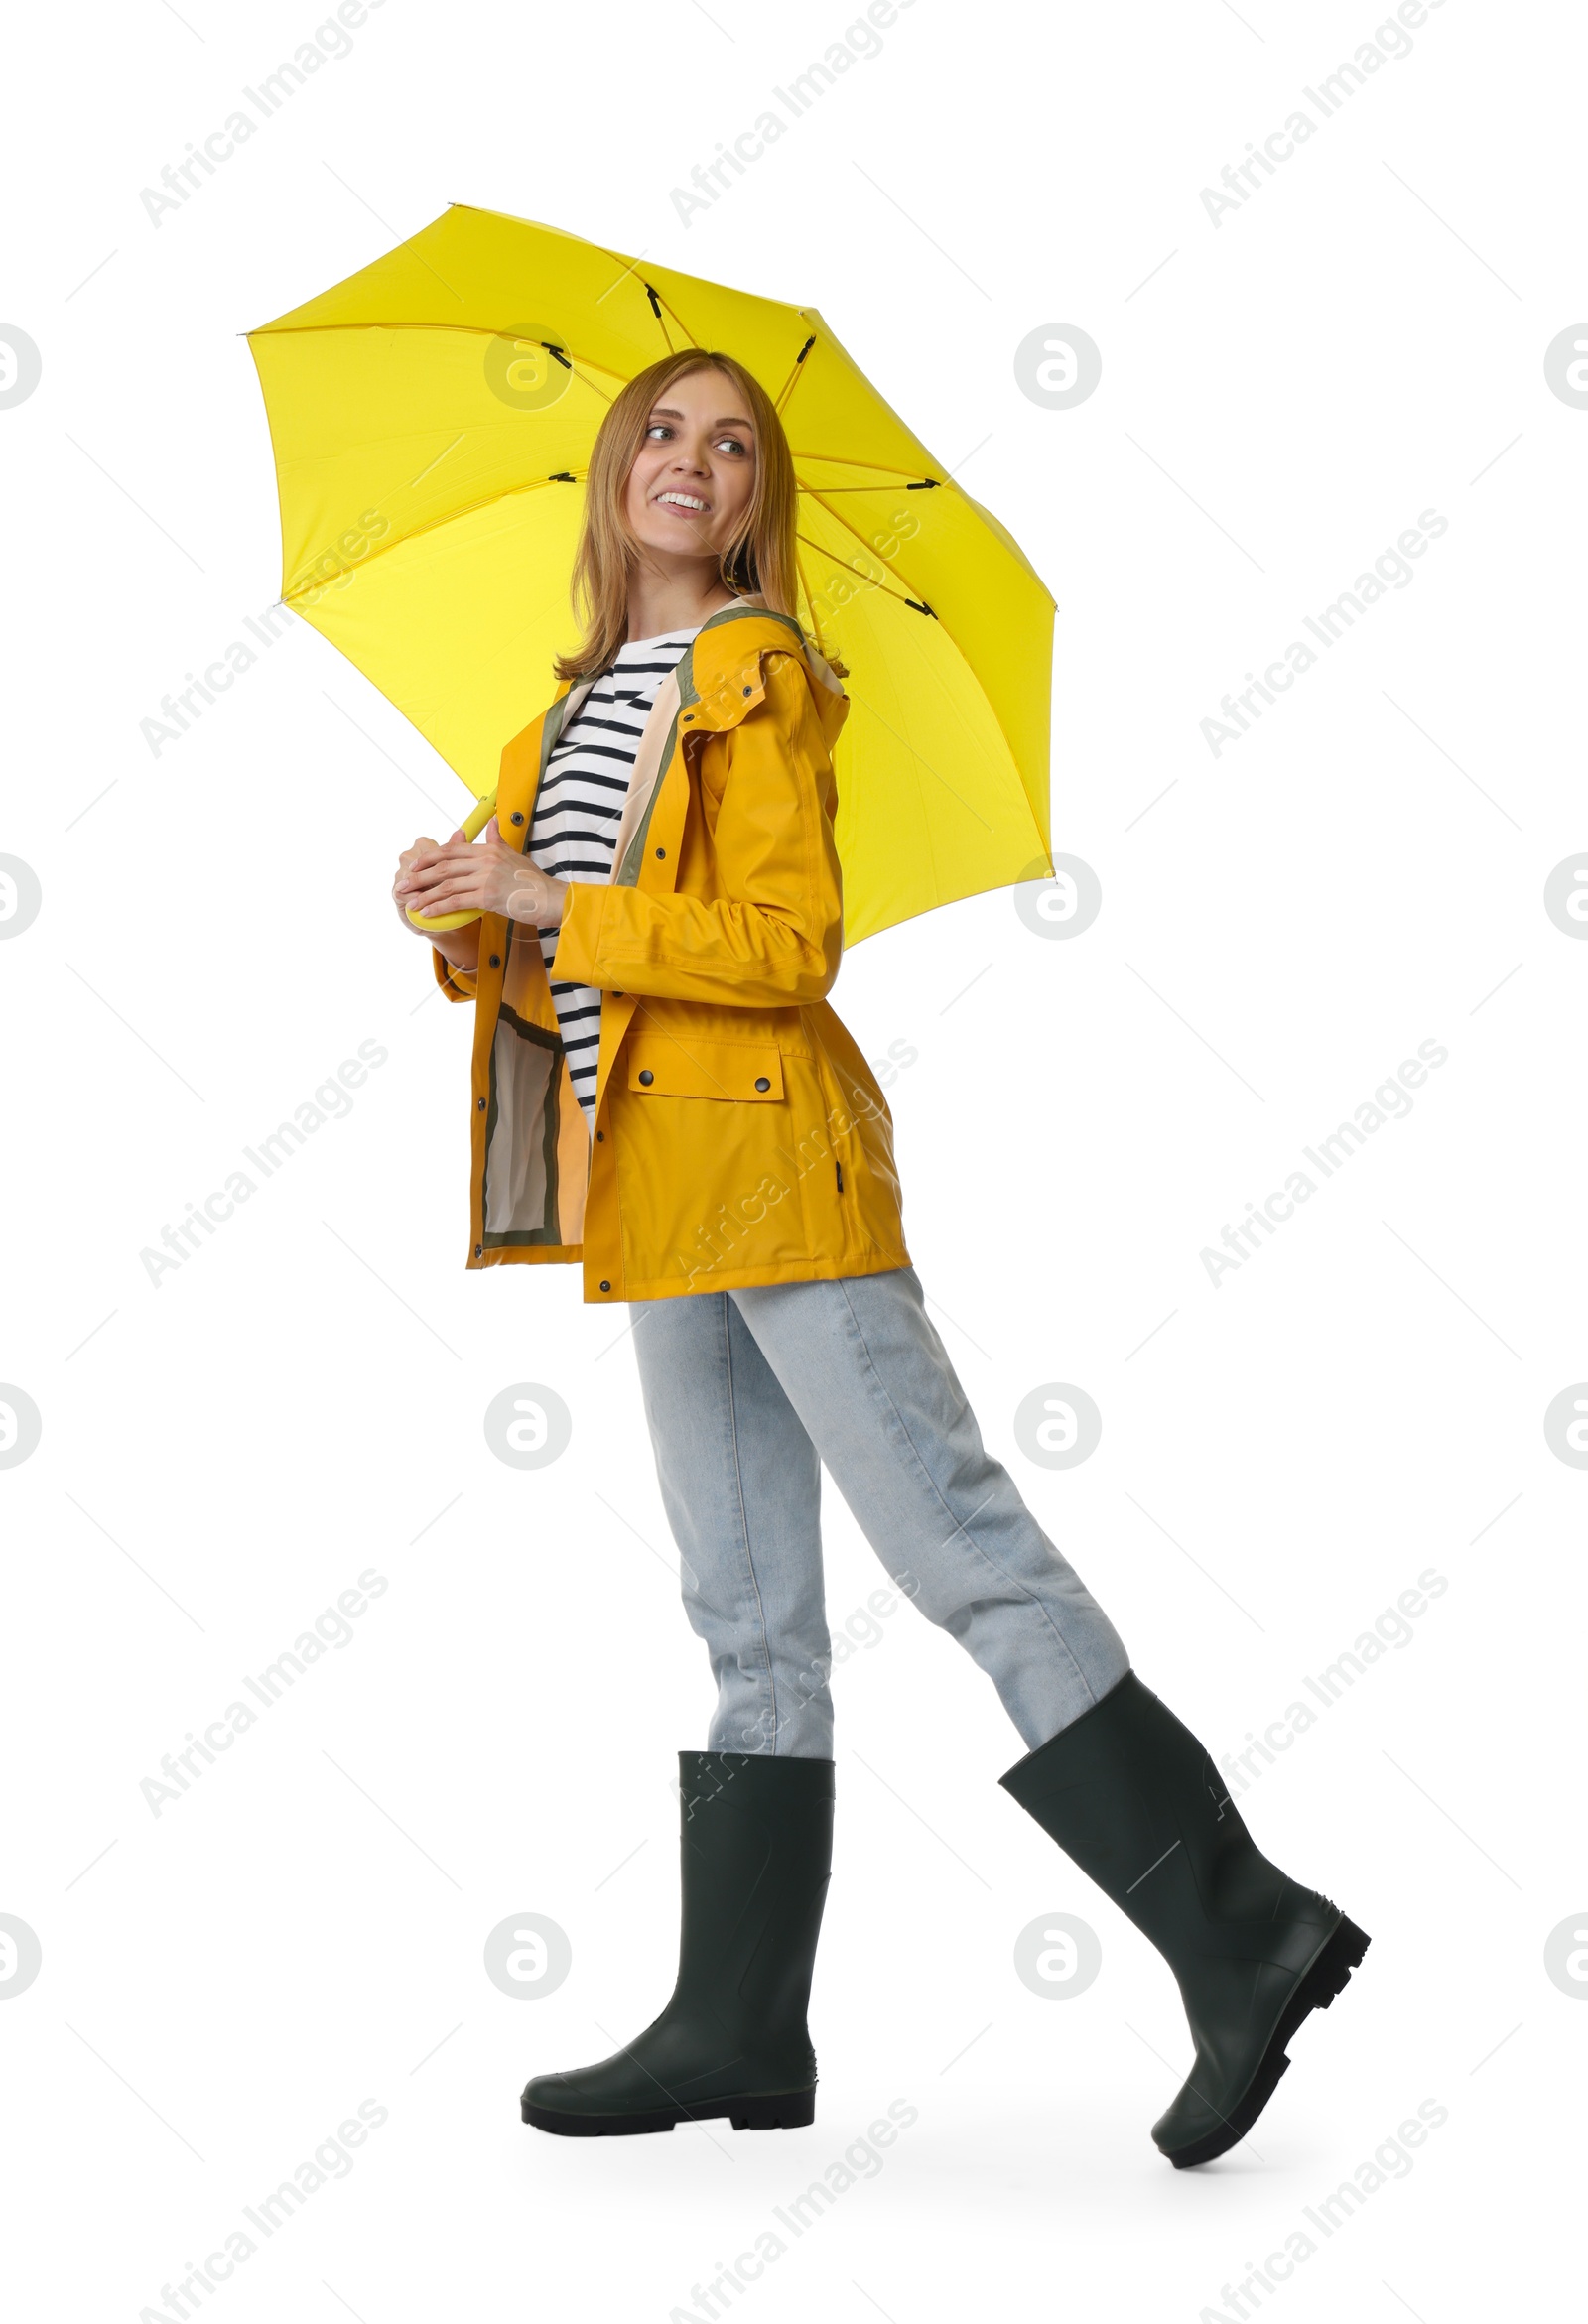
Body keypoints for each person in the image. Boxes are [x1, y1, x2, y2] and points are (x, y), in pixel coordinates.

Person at [391, 350, 1368, 2166]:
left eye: (731, 445)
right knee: (744, 1621)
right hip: (658, 1187)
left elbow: (784, 943)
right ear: (615, 471)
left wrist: (552, 898)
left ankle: (1247, 1932)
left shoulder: (754, 677)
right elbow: (574, 965)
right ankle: (739, 2026)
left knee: (962, 1549)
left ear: (755, 503)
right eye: (664, 432)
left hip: (774, 1162)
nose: (692, 462)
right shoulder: (569, 707)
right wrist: (470, 922)